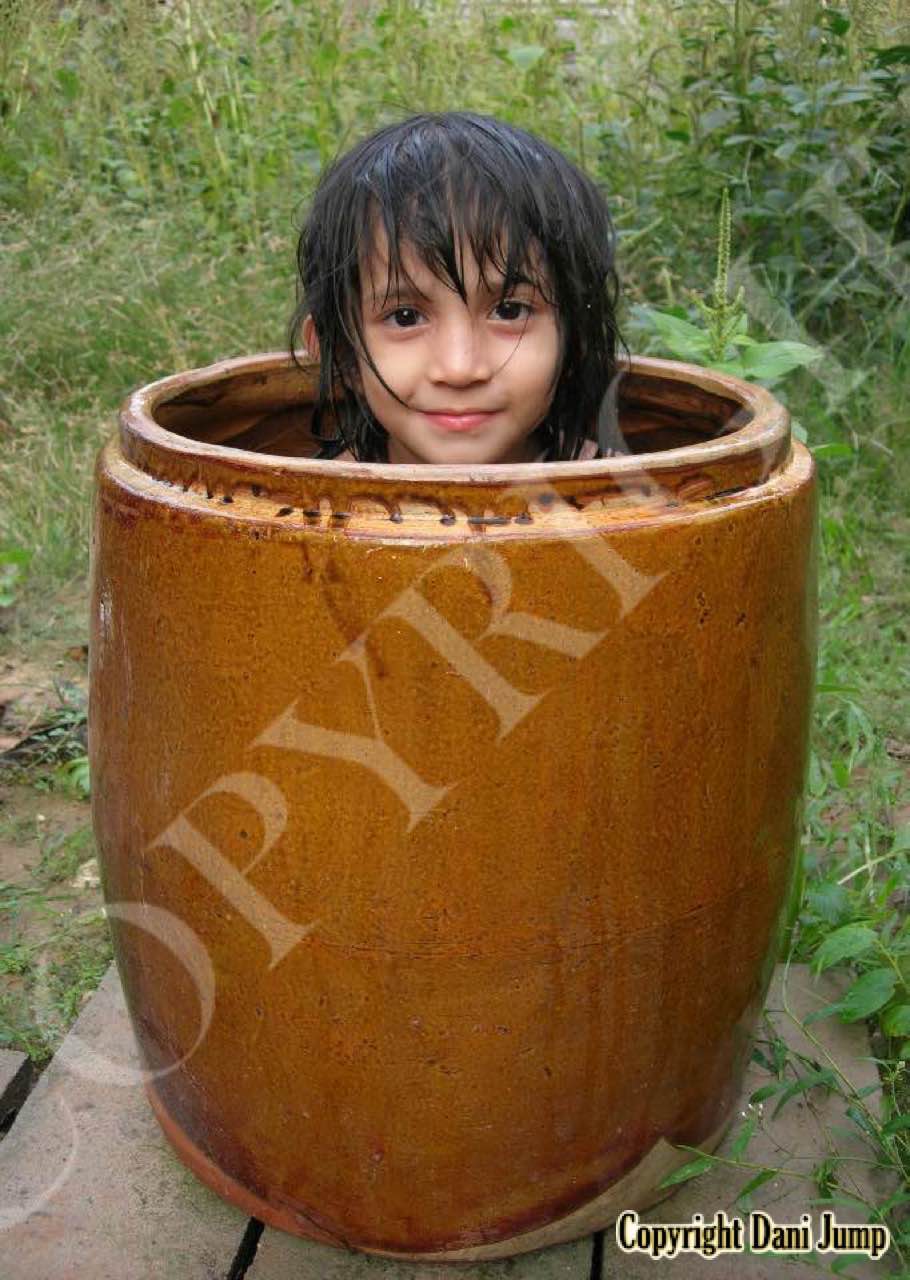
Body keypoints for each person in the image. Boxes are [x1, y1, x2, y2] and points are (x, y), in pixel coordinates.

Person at [289, 111, 629, 465]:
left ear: (575, 340)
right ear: (342, 355)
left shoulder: (631, 490)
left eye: (509, 311)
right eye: (404, 317)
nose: (460, 369)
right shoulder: (298, 498)